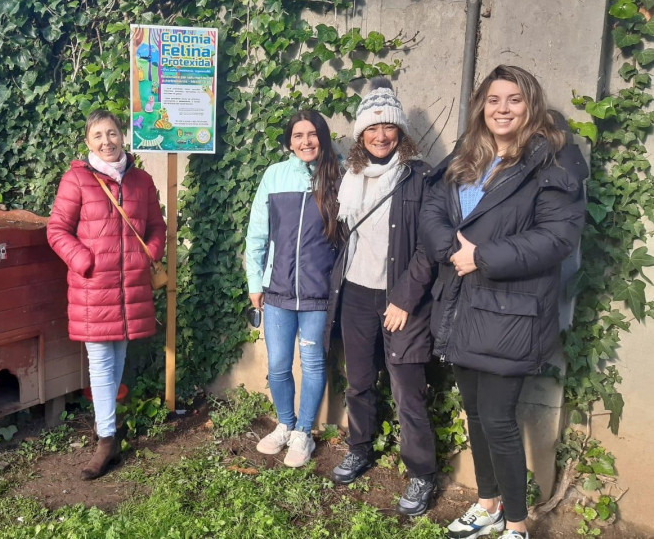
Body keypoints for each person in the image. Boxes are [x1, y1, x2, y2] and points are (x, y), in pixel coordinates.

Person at [420, 65, 587, 539]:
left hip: (510, 312)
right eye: (494, 100)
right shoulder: (469, 153)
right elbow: (433, 207)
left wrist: (483, 257)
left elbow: (557, 237)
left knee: (498, 420)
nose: (502, 109)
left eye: (513, 99)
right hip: (460, 304)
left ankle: (516, 526)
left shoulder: (552, 161)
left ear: (530, 104)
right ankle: (488, 503)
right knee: (474, 414)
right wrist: (453, 252)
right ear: (482, 107)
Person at [322, 78, 438, 516]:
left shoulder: (419, 177)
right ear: (360, 133)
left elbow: (431, 246)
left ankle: (422, 474)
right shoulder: (351, 178)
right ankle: (360, 447)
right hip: (355, 293)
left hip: (400, 301)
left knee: (408, 390)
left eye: (389, 126)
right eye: (372, 127)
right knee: (359, 381)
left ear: (400, 131)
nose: (381, 135)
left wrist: (405, 298)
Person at [47, 109, 166, 480]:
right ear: (88, 142)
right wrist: (86, 261)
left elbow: (157, 227)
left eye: (112, 133)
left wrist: (151, 254)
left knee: (118, 356)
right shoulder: (77, 179)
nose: (106, 141)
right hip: (93, 288)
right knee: (100, 363)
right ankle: (106, 438)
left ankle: (109, 430)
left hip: (130, 286)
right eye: (98, 135)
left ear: (122, 136)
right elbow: (56, 230)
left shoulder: (142, 181)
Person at [245, 110, 341, 467]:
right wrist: (256, 283)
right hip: (279, 290)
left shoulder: (340, 175)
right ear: (289, 141)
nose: (305, 141)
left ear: (323, 137)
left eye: (312, 134)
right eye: (298, 135)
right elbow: (257, 233)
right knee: (279, 365)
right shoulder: (274, 175)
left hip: (318, 293)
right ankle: (284, 424)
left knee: (314, 363)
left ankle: (303, 432)